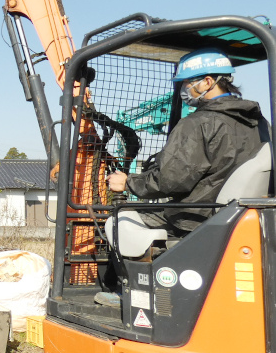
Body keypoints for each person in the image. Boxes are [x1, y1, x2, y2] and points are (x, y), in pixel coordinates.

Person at [106, 48, 268, 238]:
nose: (184, 89)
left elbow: (170, 180)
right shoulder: (261, 123)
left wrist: (128, 183)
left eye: (187, 83)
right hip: (244, 215)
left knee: (117, 222)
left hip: (196, 218)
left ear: (208, 82)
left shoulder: (198, 124)